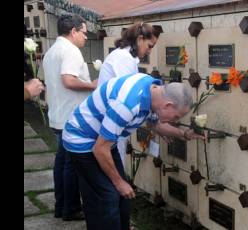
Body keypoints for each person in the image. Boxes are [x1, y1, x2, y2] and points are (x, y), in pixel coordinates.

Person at [62, 72, 204, 230]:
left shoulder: (153, 91)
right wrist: (119, 182)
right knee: (107, 197)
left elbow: (155, 124)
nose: (175, 121)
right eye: (176, 117)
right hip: (82, 140)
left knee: (122, 196)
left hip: (105, 141)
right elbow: (100, 149)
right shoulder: (128, 105)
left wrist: (184, 134)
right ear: (168, 105)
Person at [42, 14, 97, 221]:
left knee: (61, 162)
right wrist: (92, 85)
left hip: (57, 114)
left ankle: (61, 206)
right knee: (72, 165)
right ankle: (71, 209)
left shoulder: (52, 51)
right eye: (84, 32)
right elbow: (68, 80)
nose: (85, 37)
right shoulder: (71, 50)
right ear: (73, 31)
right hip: (70, 118)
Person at [97, 22, 161, 172]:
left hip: (113, 123)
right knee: (113, 176)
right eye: (150, 46)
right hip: (109, 125)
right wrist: (154, 119)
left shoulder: (125, 56)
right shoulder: (123, 59)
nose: (150, 51)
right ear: (140, 39)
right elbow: (129, 95)